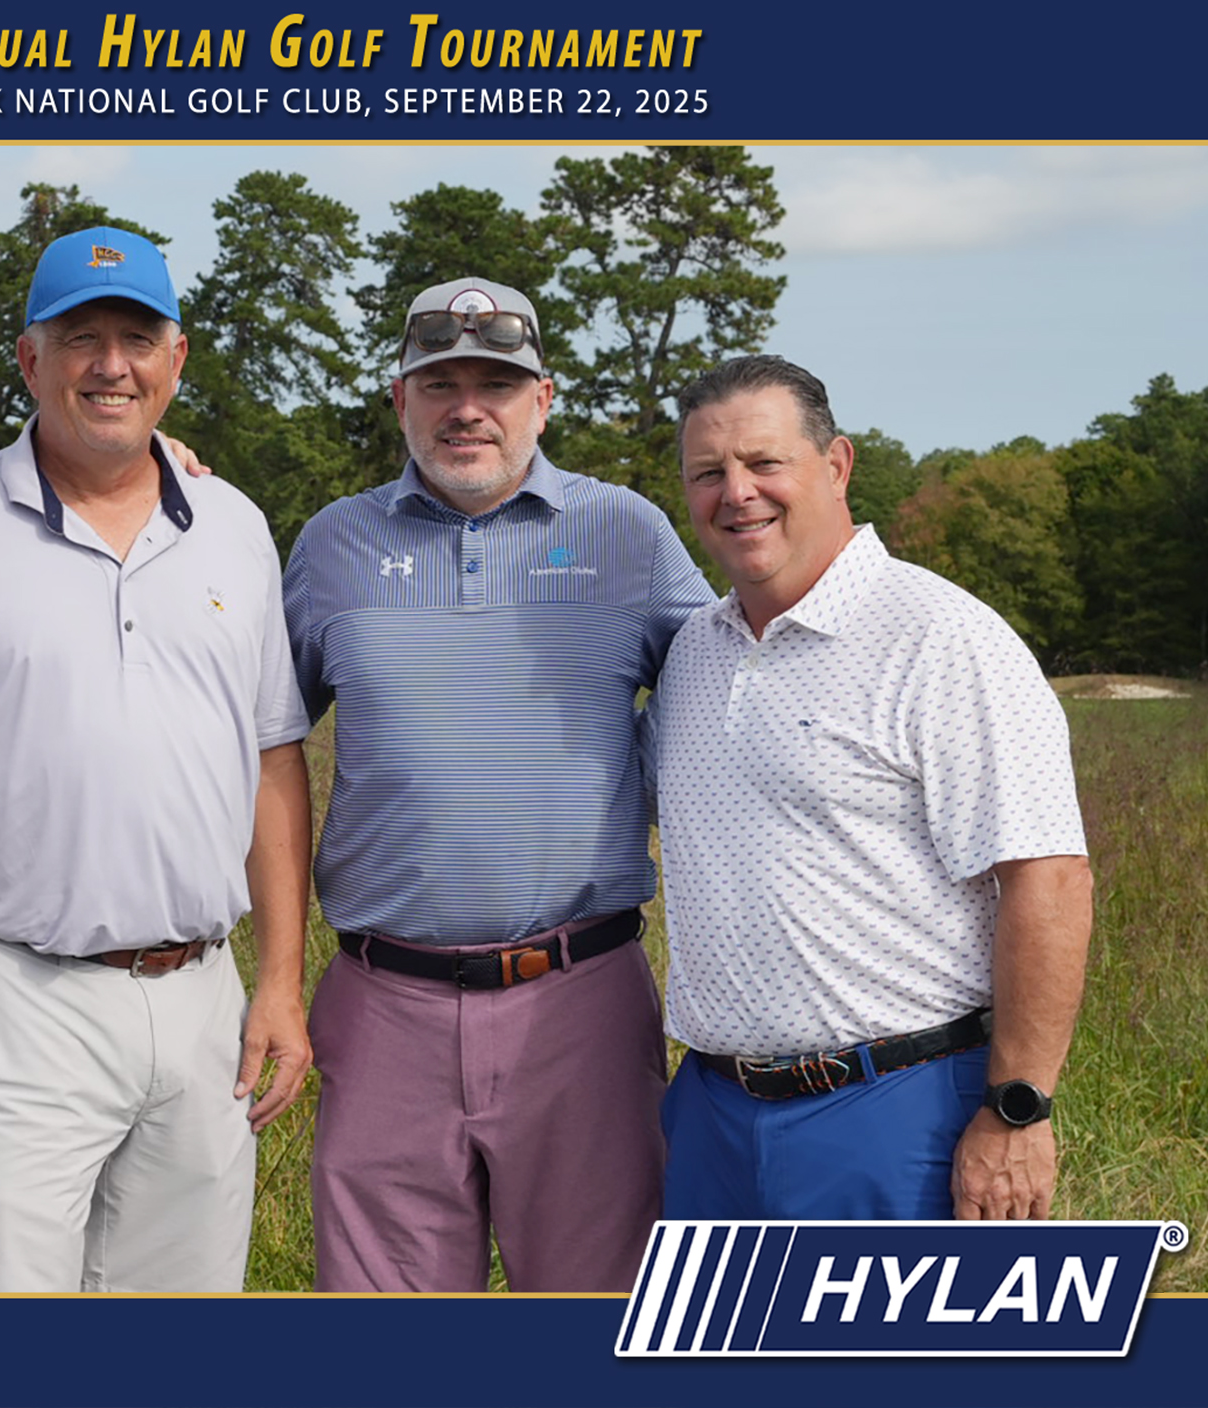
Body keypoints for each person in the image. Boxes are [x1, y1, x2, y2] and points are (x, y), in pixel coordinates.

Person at [0, 225, 313, 1292]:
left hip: (203, 995)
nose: (111, 366)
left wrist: (281, 982)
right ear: (28, 358)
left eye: (137, 339)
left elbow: (275, 760)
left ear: (175, 359)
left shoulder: (235, 526)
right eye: (79, 339)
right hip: (18, 994)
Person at [282, 277, 713, 1291]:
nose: (466, 409)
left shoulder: (626, 532)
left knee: (597, 1309)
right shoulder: (331, 544)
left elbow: (732, 678)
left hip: (579, 998)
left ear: (543, 400)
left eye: (497, 385)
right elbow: (256, 747)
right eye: (439, 384)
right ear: (400, 399)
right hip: (382, 1001)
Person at [654, 354, 1093, 1221]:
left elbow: (1048, 877)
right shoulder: (694, 653)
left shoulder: (942, 638)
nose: (737, 493)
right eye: (708, 473)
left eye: (765, 462)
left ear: (837, 464)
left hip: (896, 1107)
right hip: (711, 1113)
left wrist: (1018, 1109)